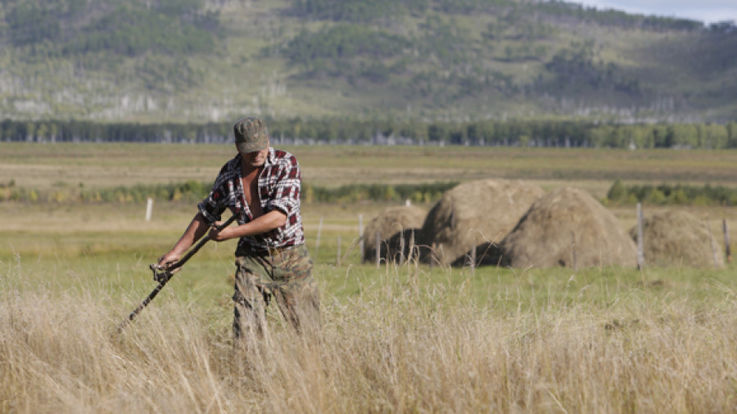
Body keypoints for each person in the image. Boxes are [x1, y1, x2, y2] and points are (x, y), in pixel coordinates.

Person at [157, 117, 319, 341]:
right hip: (251, 257)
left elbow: (278, 218)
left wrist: (230, 233)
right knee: (246, 330)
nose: (258, 153)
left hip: (290, 254)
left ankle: (313, 371)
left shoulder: (286, 164)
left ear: (268, 140)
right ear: (238, 147)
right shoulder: (229, 175)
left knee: (308, 330)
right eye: (250, 149)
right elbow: (206, 215)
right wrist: (176, 252)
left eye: (261, 146)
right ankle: (248, 372)